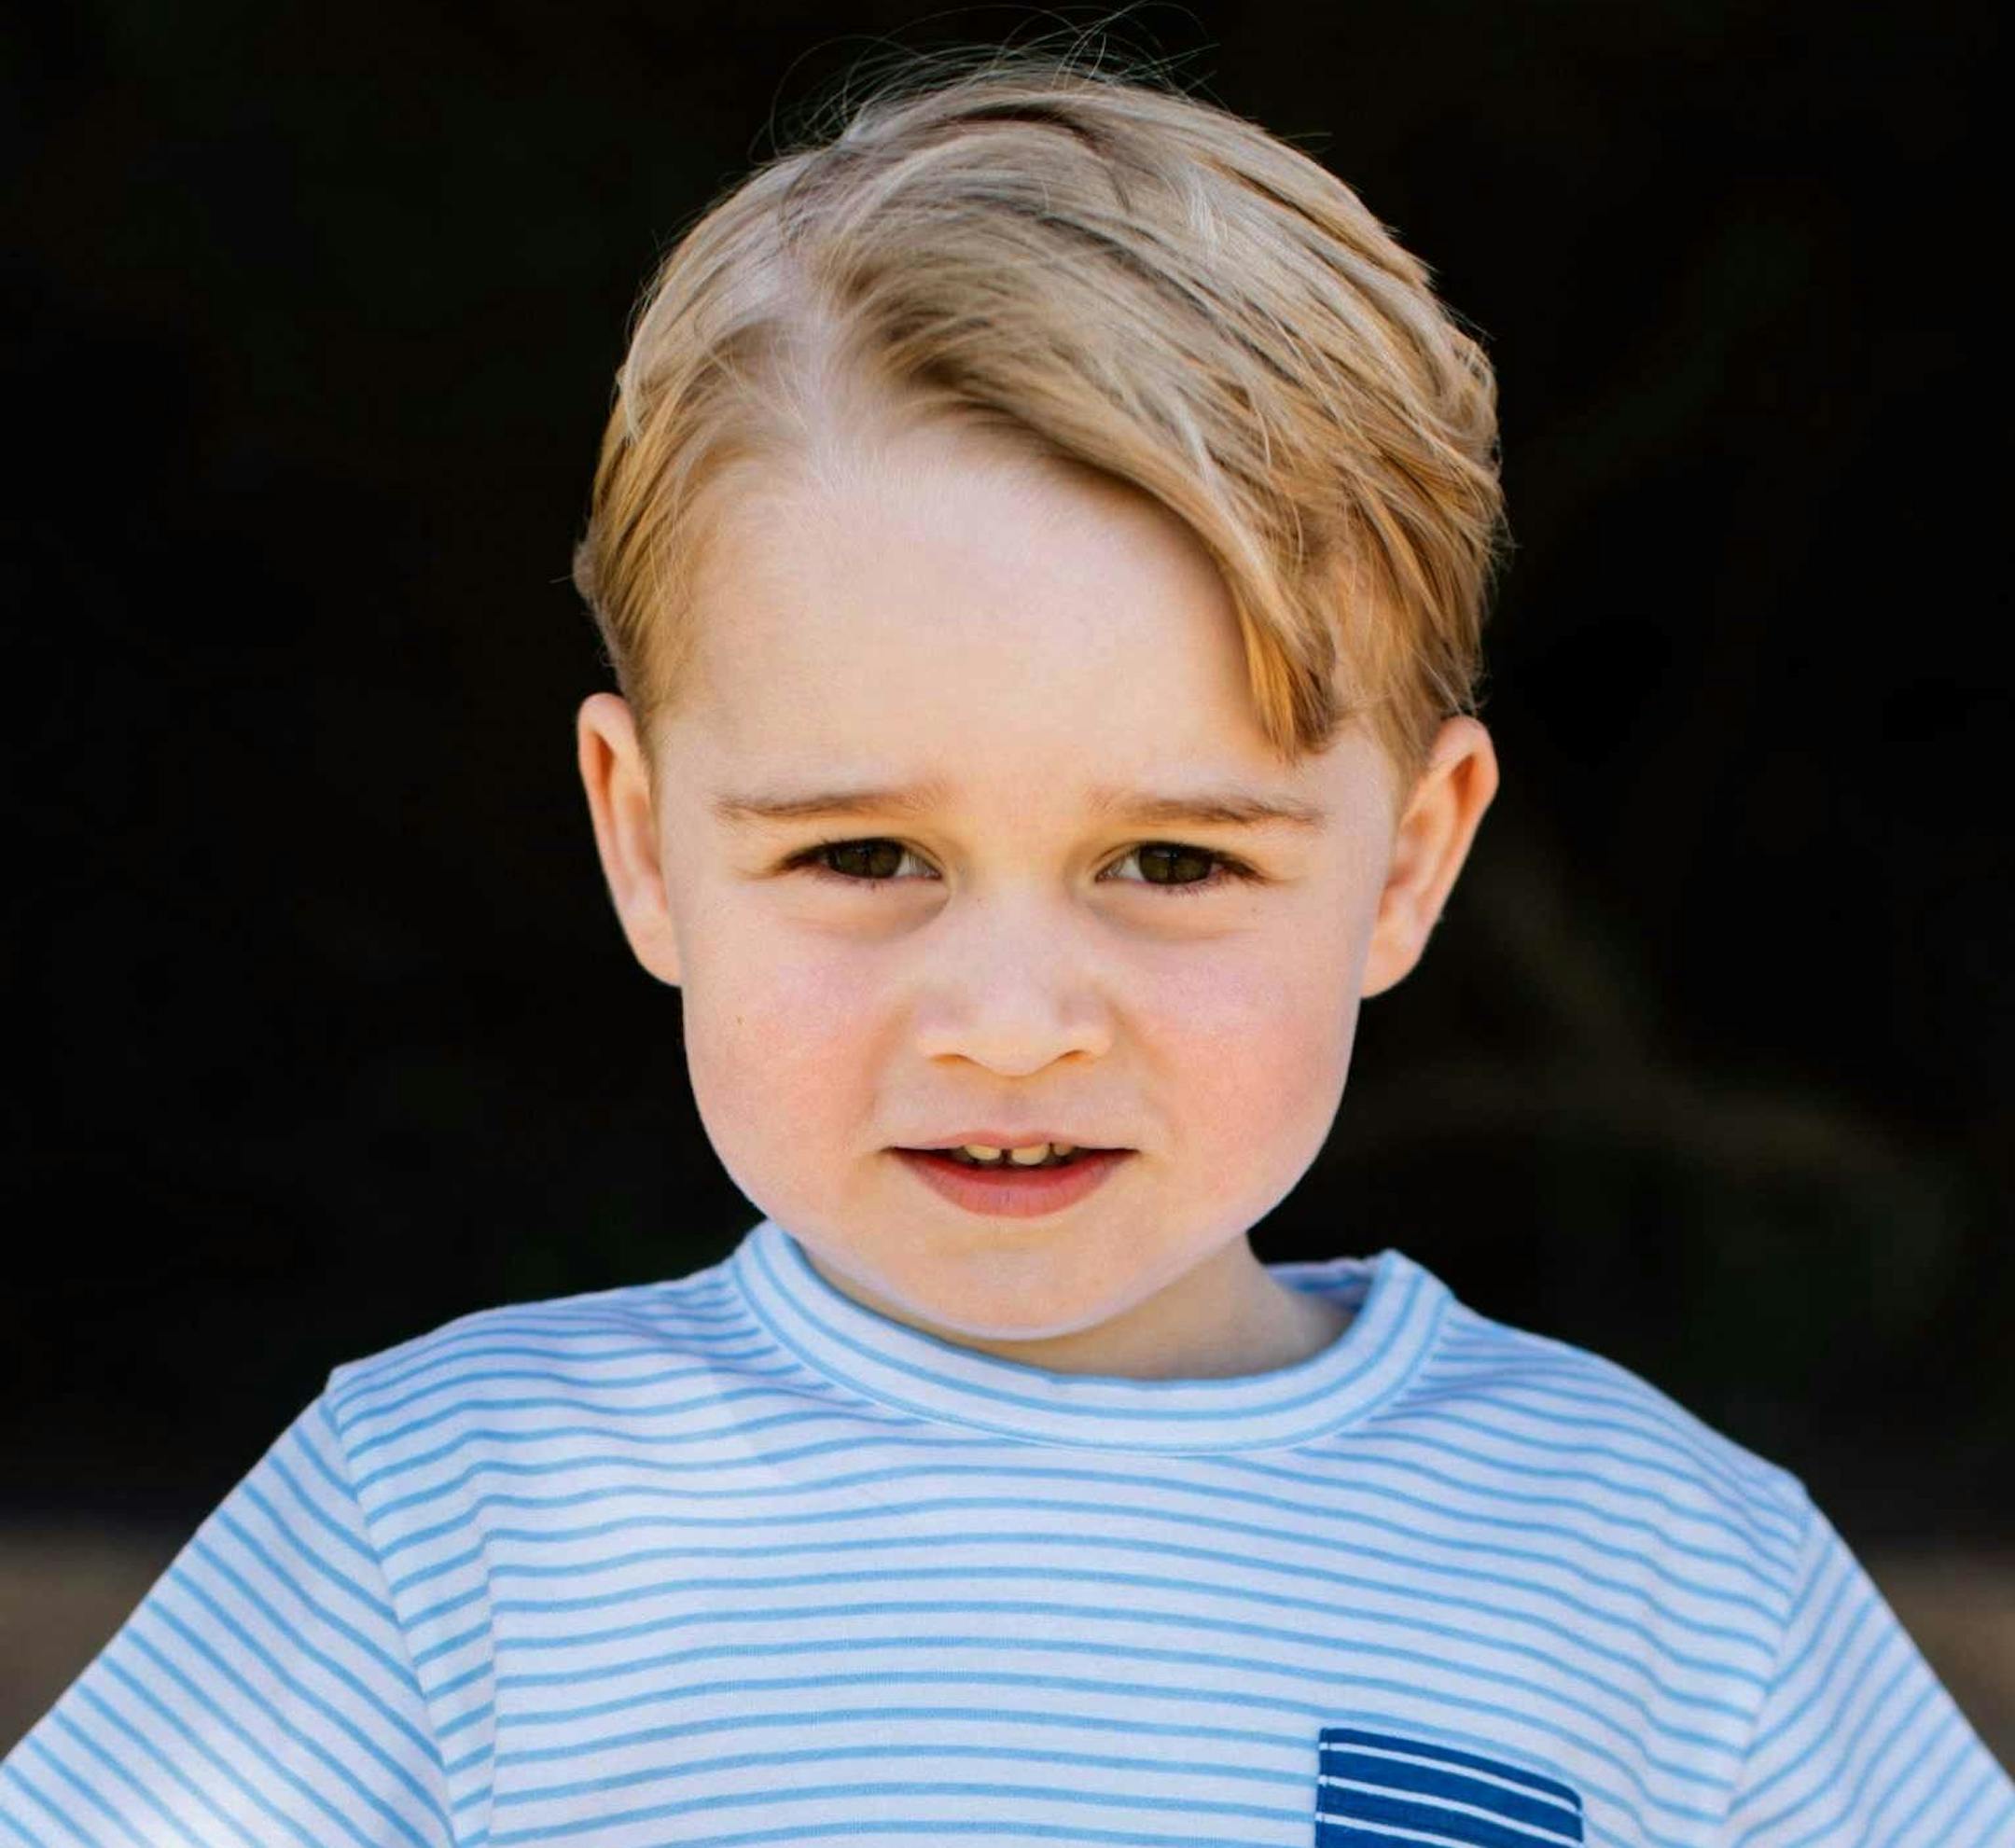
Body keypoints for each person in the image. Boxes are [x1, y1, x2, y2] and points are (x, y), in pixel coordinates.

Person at [5, 42, 2010, 1848]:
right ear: (644, 840)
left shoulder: (1664, 1569)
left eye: (1169, 862)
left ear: (1408, 862)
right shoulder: (442, 1520)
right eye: (870, 850)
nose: (1016, 1022)